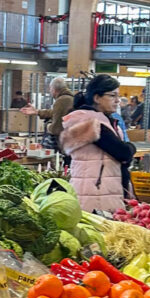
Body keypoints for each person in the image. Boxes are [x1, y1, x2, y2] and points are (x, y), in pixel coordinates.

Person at [60, 74, 136, 213]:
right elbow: (122, 152)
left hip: (100, 190)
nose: (117, 100)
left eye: (117, 96)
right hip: (96, 194)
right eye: (112, 95)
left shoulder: (102, 120)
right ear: (97, 98)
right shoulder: (91, 123)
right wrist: (131, 148)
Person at [37, 77, 74, 150]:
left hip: (61, 141)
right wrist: (38, 112)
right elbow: (54, 112)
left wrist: (48, 126)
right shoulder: (70, 98)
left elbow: (57, 127)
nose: (50, 91)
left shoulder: (61, 101)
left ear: (54, 89)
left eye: (50, 89)